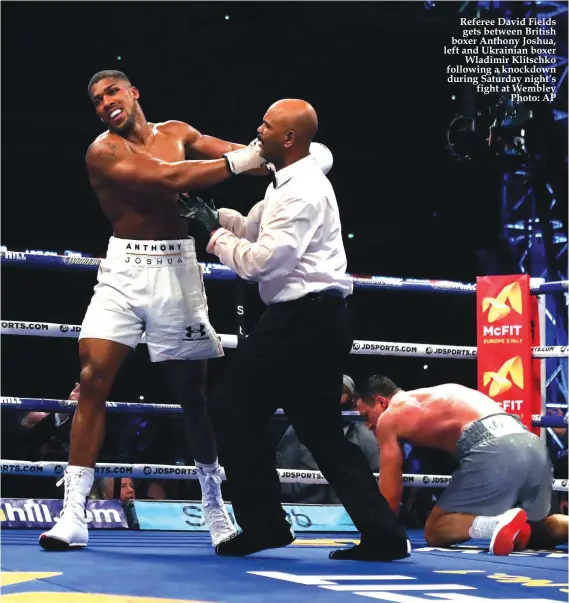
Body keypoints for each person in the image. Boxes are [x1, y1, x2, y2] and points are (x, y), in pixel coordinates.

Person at [40, 71, 333, 552]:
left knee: (192, 394)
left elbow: (256, 157)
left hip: (178, 268)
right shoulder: (104, 151)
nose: (105, 103)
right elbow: (169, 178)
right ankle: (73, 513)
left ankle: (214, 506)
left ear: (134, 92)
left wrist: (307, 156)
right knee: (92, 377)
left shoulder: (179, 132)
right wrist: (252, 158)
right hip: (122, 271)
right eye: (96, 100)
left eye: (112, 92)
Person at [178, 98, 410, 561]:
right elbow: (253, 230)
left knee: (231, 407)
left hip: (302, 320)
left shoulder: (302, 190)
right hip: (314, 319)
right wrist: (216, 216)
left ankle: (264, 523)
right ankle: (384, 534)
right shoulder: (283, 184)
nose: (256, 131)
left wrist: (212, 236)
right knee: (319, 429)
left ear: (288, 138)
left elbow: (263, 262)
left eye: (265, 126)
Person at [356, 375, 554, 555]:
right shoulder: (443, 391)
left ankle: (495, 524)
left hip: (494, 447)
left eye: (366, 416)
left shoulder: (390, 418)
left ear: (381, 402)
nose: (367, 425)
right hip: (531, 442)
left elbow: (390, 495)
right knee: (538, 530)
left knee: (436, 530)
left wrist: (379, 535)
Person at [276, 375, 379, 504]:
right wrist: (291, 505)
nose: (335, 397)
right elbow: (284, 466)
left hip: (347, 511)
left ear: (352, 399)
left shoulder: (364, 436)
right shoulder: (299, 428)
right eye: (332, 391)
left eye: (341, 392)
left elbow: (375, 476)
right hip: (304, 507)